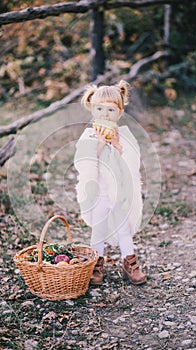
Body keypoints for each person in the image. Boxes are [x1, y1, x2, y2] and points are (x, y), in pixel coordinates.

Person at [74, 80, 146, 285]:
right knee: (99, 228)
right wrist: (98, 145)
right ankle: (96, 263)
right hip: (99, 193)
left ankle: (129, 261)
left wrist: (116, 145)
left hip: (119, 191)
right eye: (100, 109)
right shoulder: (88, 135)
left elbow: (132, 163)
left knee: (123, 227)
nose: (105, 114)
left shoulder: (123, 135)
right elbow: (84, 162)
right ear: (92, 109)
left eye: (111, 110)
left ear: (120, 112)